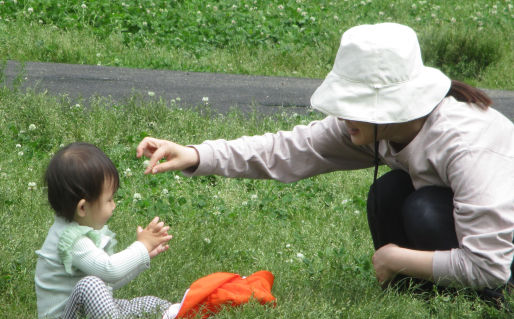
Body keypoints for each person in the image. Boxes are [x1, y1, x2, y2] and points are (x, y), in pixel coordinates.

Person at [136, 23, 514, 300]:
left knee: (424, 208)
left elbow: (490, 264)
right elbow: (289, 149)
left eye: (354, 104)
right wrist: (197, 154)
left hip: (502, 259)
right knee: (389, 192)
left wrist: (395, 257)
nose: (343, 113)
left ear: (390, 106)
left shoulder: (466, 145)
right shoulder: (377, 126)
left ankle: (485, 305)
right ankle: (425, 298)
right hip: (476, 244)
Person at [35, 142, 174, 319]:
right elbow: (110, 270)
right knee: (90, 285)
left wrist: (142, 258)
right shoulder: (73, 240)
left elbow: (108, 281)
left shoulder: (81, 229)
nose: (114, 205)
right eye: (109, 199)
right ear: (83, 208)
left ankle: (176, 312)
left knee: (144, 303)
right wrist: (141, 247)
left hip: (83, 312)